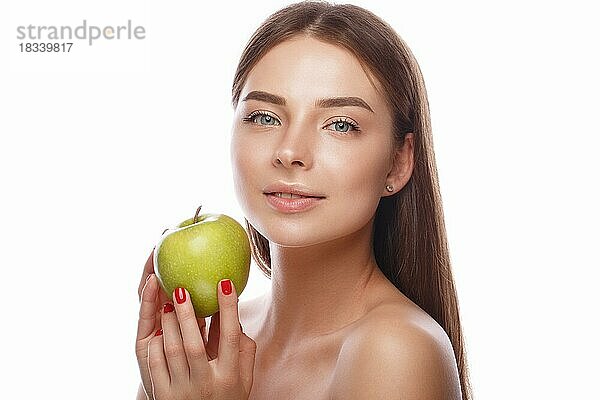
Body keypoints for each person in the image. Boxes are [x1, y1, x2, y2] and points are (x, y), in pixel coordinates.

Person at [135, 1, 473, 399]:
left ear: (397, 164)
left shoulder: (394, 350)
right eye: (264, 117)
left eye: (341, 125)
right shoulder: (207, 350)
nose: (290, 151)